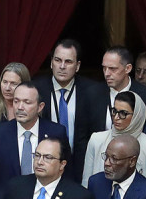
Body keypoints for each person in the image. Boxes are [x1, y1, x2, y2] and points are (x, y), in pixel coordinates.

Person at [33, 39, 111, 183]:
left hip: (81, 168)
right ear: (51, 62)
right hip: (44, 166)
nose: (62, 66)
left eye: (68, 62)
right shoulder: (36, 89)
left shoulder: (93, 91)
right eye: (57, 60)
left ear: (77, 66)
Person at [0, 80, 68, 189]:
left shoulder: (56, 132)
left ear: (40, 107)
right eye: (16, 101)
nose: (20, 107)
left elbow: (66, 174)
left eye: (27, 102)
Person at [81, 91, 146, 189]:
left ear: (136, 115)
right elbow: (86, 182)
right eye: (114, 111)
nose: (116, 117)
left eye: (123, 113)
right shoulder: (97, 139)